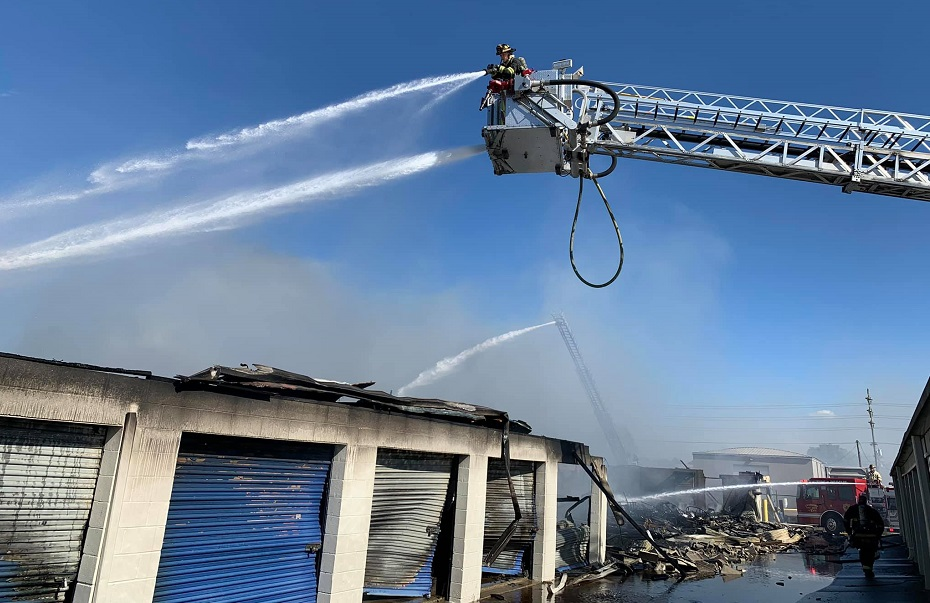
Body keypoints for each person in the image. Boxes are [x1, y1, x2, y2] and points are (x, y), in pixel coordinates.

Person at [844, 491, 885, 577]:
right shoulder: (872, 511)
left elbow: (846, 520)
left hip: (858, 536)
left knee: (863, 551)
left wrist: (849, 533)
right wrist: (878, 536)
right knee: (870, 552)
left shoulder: (852, 509)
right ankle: (868, 568)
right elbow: (880, 524)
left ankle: (866, 568)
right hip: (872, 537)